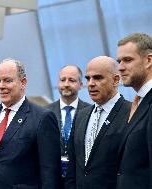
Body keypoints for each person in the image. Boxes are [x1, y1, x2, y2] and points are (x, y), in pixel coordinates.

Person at [0, 58, 62, 189]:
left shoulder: (42, 118)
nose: (1, 86)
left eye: (7, 80)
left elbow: (50, 172)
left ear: (23, 82)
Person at [65, 56, 131, 189]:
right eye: (88, 78)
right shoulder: (81, 115)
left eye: (98, 78)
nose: (90, 83)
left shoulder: (131, 113)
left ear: (115, 79)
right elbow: (72, 164)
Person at [116, 33, 152, 189]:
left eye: (128, 60)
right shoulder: (138, 103)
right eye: (119, 61)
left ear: (149, 60)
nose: (120, 67)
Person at [46, 65, 90, 178]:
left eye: (71, 80)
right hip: (53, 176)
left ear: (81, 84)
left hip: (79, 176)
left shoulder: (90, 112)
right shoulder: (45, 112)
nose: (66, 84)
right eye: (62, 80)